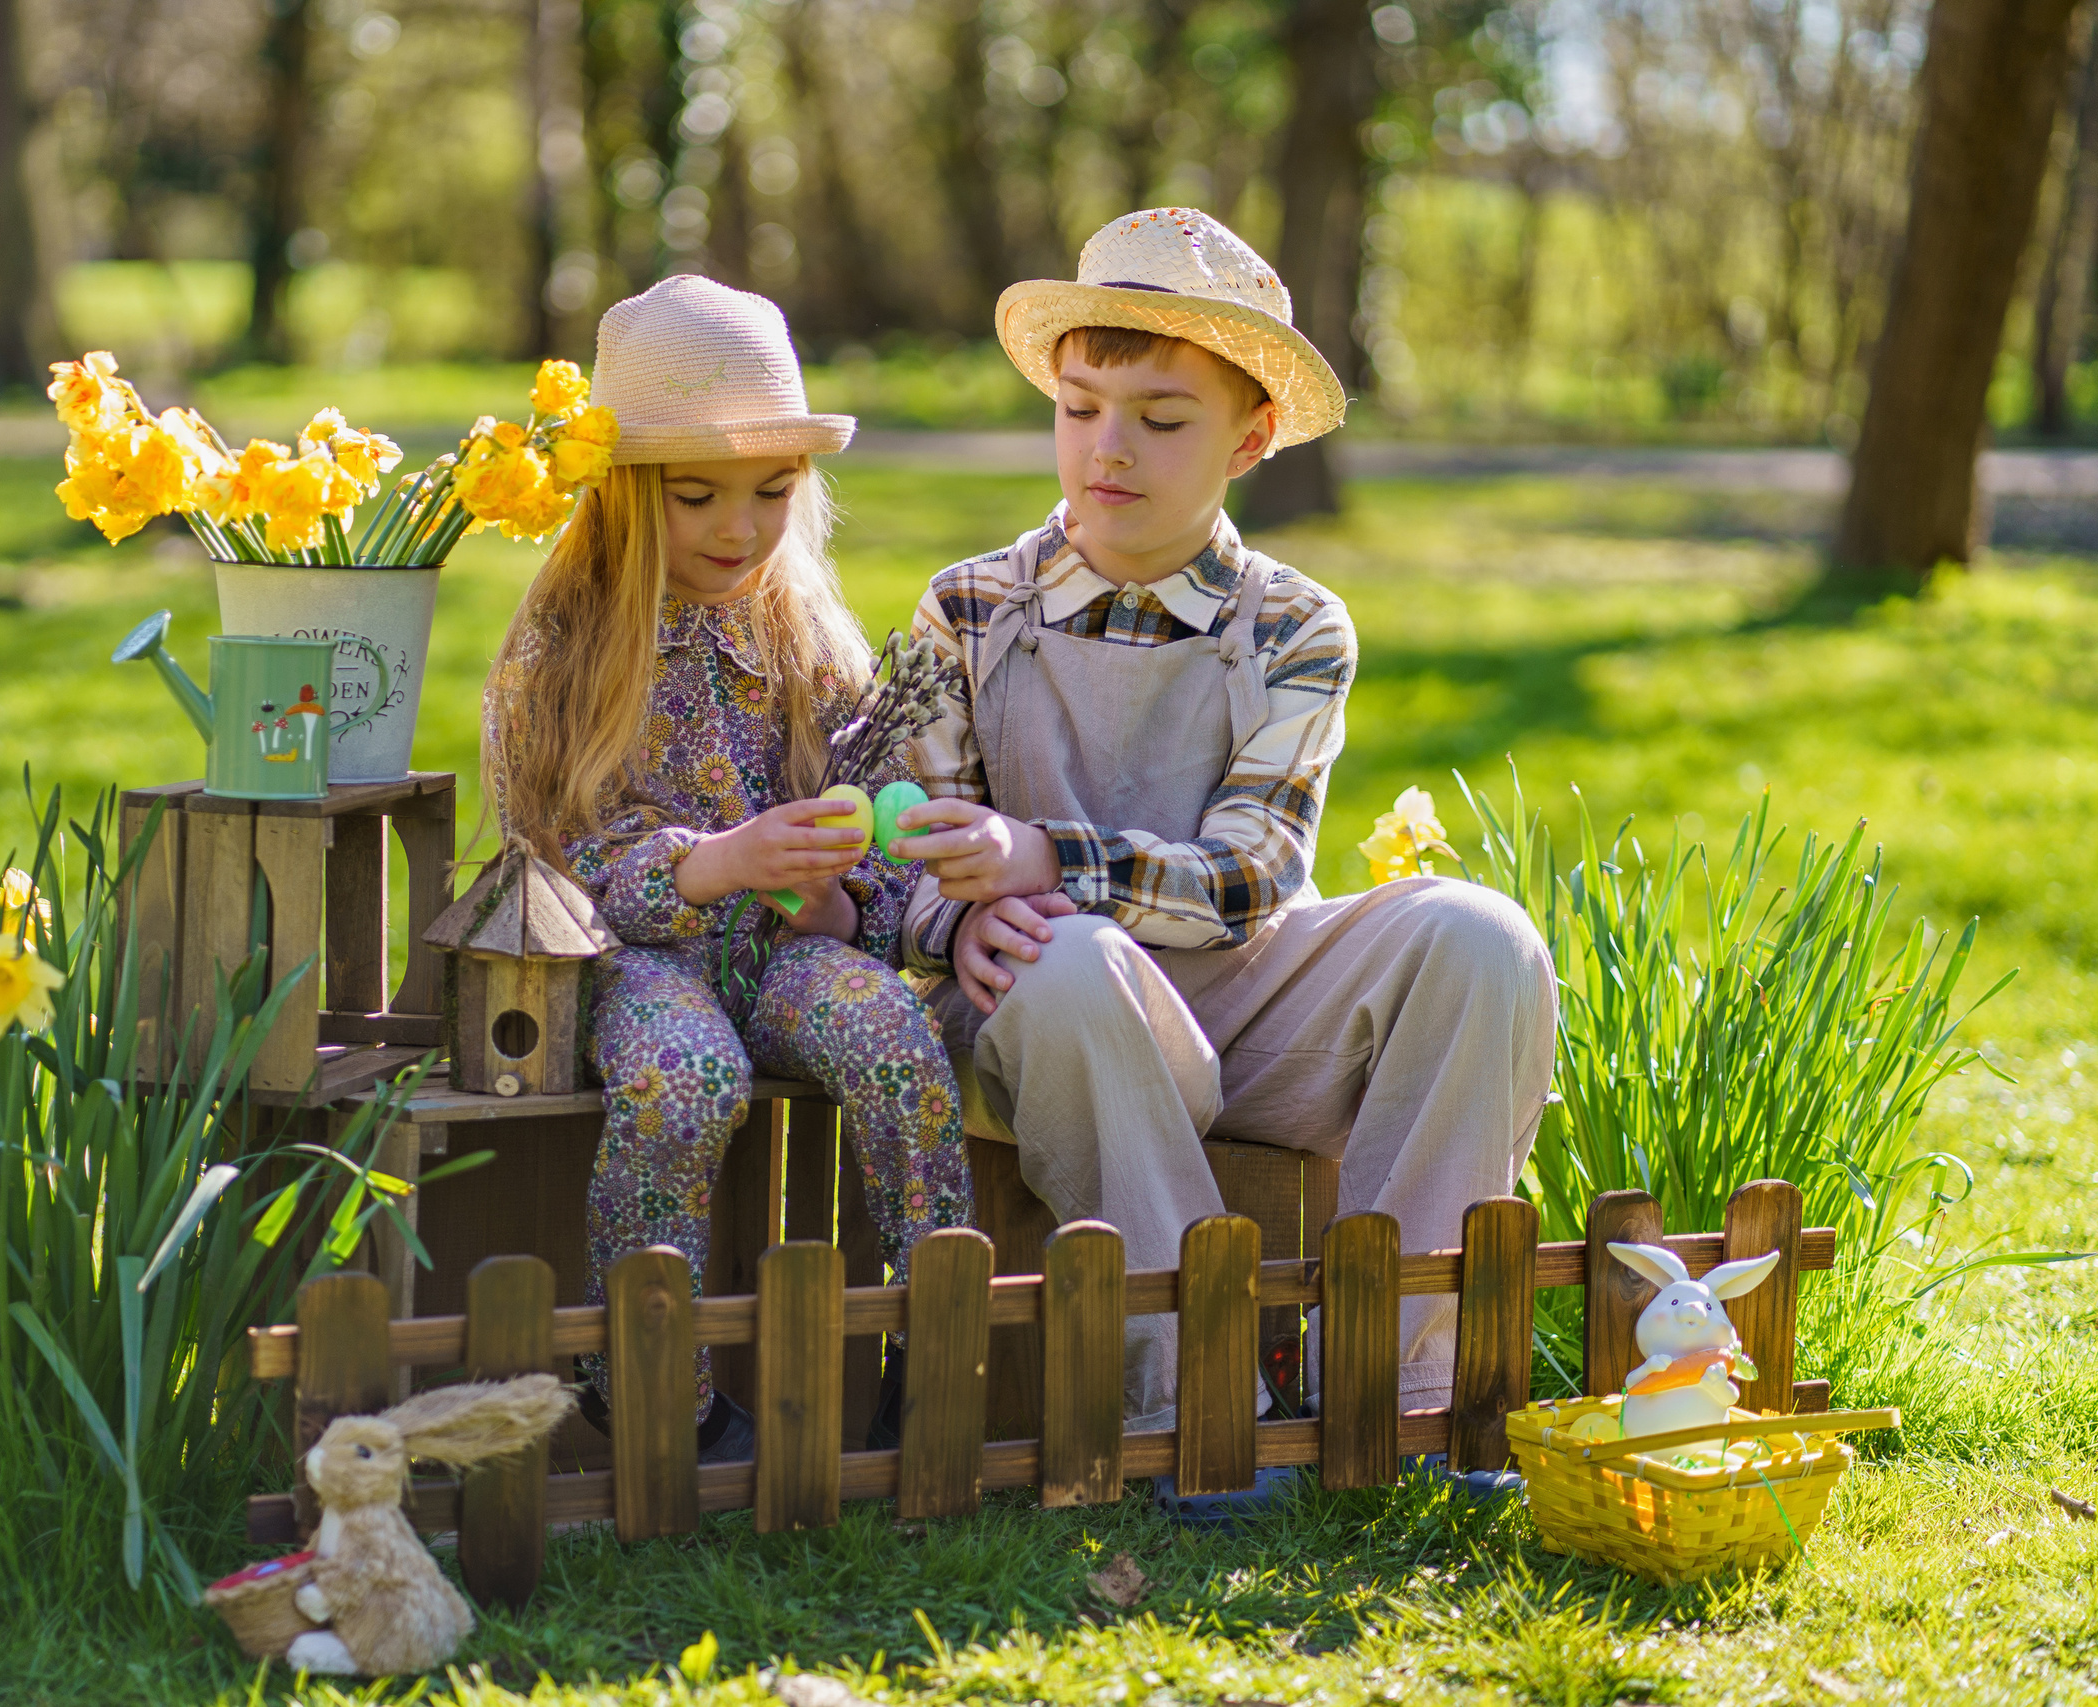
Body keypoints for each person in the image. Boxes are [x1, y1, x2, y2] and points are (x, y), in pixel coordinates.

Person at [892, 209, 1557, 1508]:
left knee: (1484, 936)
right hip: (1054, 1015)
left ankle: (1399, 1375)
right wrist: (943, 920)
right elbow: (902, 832)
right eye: (1081, 406)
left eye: (1160, 415)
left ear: (1250, 437)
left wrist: (1038, 850)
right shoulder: (966, 606)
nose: (1110, 445)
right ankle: (1192, 1399)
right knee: (1073, 955)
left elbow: (1252, 876)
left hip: (1247, 996)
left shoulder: (1295, 623)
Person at [483, 275, 974, 1462]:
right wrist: (707, 865)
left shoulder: (803, 634)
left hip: (788, 955)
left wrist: (843, 893)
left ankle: (933, 1339)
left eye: (771, 494)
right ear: (621, 493)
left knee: (895, 1043)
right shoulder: (562, 651)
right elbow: (546, 864)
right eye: (697, 496)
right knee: (684, 1080)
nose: (738, 529)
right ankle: (654, 1376)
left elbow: (884, 815)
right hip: (637, 964)